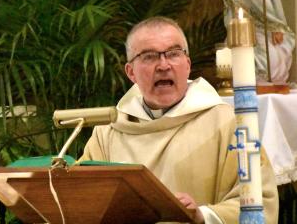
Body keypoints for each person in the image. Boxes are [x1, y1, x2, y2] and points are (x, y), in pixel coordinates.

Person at [79, 16, 278, 223]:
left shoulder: (227, 124)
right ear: (131, 72)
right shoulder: (108, 132)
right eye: (149, 56)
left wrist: (202, 215)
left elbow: (260, 200)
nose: (163, 65)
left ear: (188, 64)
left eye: (173, 54)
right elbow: (82, 197)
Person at [219, 0, 295, 84]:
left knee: (272, 58)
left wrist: (276, 25)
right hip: (239, 29)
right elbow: (230, 1)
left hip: (264, 27)